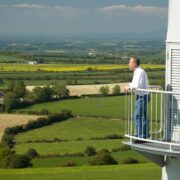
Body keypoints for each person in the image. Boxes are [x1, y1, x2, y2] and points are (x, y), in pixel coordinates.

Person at [124, 57, 150, 139]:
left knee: (138, 116)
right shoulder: (138, 72)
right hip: (142, 96)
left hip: (142, 96)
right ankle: (142, 135)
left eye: (130, 62)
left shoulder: (139, 72)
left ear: (134, 63)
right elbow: (135, 83)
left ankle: (141, 136)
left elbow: (137, 85)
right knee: (142, 116)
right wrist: (129, 84)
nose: (129, 64)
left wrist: (129, 87)